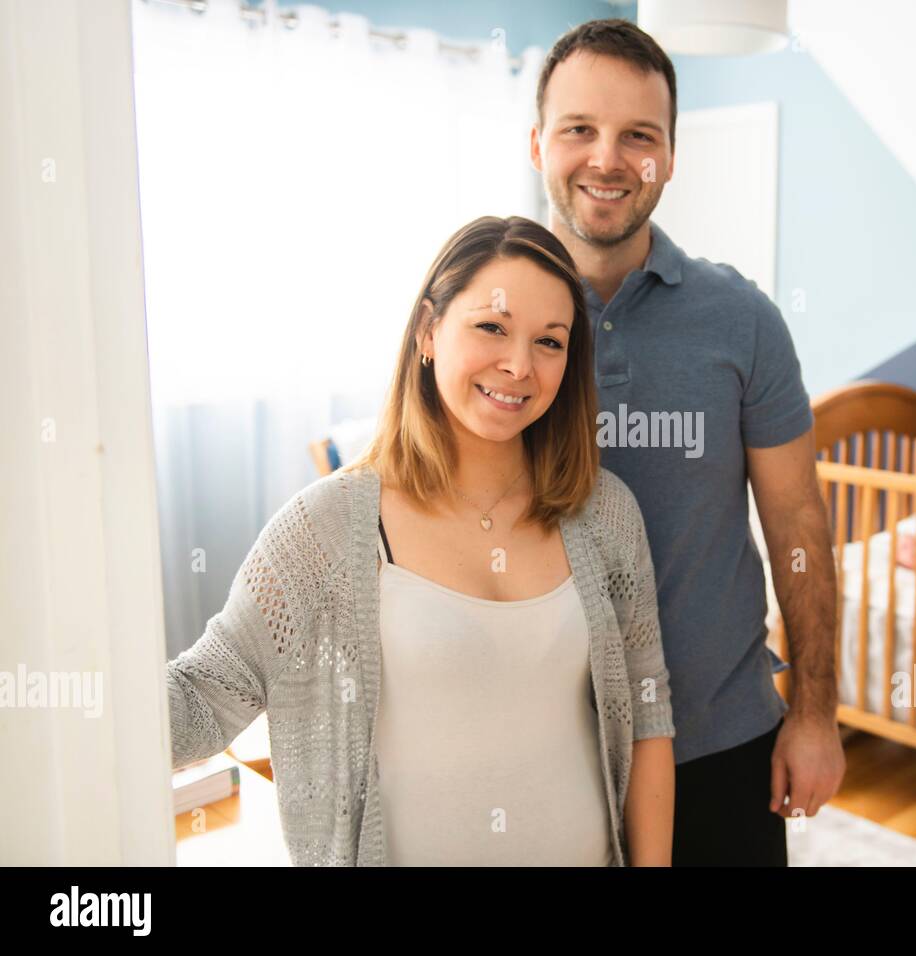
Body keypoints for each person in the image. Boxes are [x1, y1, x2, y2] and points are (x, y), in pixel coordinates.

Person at [166, 215, 676, 866]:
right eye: (491, 327)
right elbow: (204, 695)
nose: (519, 365)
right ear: (428, 331)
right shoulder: (326, 528)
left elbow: (647, 710)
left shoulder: (605, 514)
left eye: (549, 342)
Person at [529, 19, 847, 866]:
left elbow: (798, 526)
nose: (607, 157)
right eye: (579, 129)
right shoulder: (493, 320)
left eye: (640, 135)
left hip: (723, 739)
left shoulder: (740, 320)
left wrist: (814, 712)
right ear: (537, 144)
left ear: (669, 156)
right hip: (540, 752)